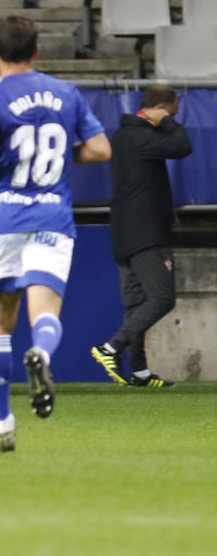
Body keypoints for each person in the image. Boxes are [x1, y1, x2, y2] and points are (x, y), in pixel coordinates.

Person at [0, 15, 111, 452]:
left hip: (2, 220)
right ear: (37, 50)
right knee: (44, 314)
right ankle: (42, 354)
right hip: (51, 218)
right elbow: (101, 149)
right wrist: (63, 154)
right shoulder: (66, 93)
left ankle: (2, 422)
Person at [91, 86, 191, 388]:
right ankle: (110, 347)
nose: (175, 113)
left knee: (138, 302)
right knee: (162, 298)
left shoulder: (126, 136)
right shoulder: (139, 136)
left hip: (125, 232)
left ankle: (139, 370)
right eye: (173, 108)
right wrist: (166, 121)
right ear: (163, 106)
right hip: (146, 232)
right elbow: (182, 145)